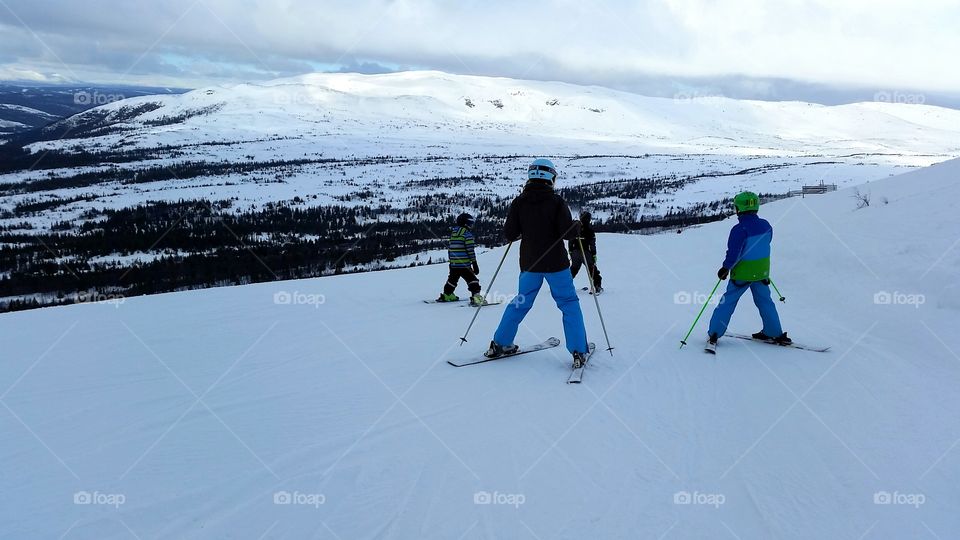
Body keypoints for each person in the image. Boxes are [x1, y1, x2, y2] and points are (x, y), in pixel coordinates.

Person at [485, 158, 590, 368]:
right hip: (557, 264)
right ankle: (578, 350)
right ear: (551, 177)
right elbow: (567, 234)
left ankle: (500, 343)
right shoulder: (557, 202)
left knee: (521, 301)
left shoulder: (519, 202)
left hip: (529, 264)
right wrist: (576, 226)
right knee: (568, 303)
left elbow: (510, 234)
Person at [707, 191, 791, 348]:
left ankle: (714, 333)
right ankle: (774, 332)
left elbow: (734, 253)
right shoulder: (766, 225)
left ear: (739, 208)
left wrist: (725, 268)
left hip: (742, 273)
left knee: (728, 302)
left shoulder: (739, 229)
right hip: (761, 272)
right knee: (765, 302)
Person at [437, 212, 485, 306]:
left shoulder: (454, 233)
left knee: (452, 280)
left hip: (454, 264)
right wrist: (474, 263)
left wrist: (452, 262)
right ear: (466, 223)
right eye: (470, 223)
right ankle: (476, 297)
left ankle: (447, 294)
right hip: (464, 265)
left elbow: (451, 249)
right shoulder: (467, 235)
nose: (471, 225)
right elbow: (470, 250)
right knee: (472, 280)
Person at [569, 211, 602, 292]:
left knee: (573, 269)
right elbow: (592, 244)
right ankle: (597, 286)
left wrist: (570, 251)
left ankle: (562, 286)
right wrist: (594, 255)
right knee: (592, 269)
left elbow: (571, 240)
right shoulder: (590, 230)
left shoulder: (576, 228)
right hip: (586, 253)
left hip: (575, 252)